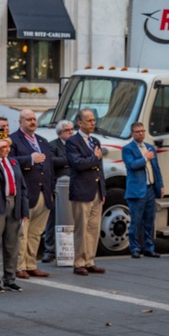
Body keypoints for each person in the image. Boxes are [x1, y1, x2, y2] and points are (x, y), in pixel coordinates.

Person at [10, 109, 53, 279]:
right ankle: (19, 266)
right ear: (20, 122)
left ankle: (31, 264)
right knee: (22, 232)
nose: (32, 122)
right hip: (25, 193)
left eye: (34, 119)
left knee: (36, 233)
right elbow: (9, 162)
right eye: (28, 119)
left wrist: (51, 192)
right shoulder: (13, 140)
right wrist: (29, 159)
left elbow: (49, 169)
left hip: (44, 193)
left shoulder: (42, 141)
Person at [0, 129, 28, 293]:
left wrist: (24, 210)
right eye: (3, 147)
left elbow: (22, 188)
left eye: (8, 146)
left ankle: (10, 278)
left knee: (11, 244)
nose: (7, 150)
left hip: (13, 204)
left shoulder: (13, 162)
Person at [64, 108, 107, 276]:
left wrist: (103, 189)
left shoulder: (95, 141)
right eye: (89, 120)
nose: (93, 123)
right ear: (79, 123)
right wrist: (94, 158)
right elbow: (77, 164)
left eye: (94, 120)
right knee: (81, 229)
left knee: (93, 228)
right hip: (82, 190)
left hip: (96, 190)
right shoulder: (72, 142)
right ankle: (79, 262)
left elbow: (100, 168)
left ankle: (90, 260)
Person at [123, 121, 164, 259]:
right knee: (136, 220)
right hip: (136, 190)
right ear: (132, 134)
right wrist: (144, 158)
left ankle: (149, 247)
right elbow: (132, 165)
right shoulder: (128, 149)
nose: (141, 134)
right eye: (137, 132)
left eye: (142, 131)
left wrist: (161, 186)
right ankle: (134, 247)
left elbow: (156, 168)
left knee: (149, 220)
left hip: (150, 188)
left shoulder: (150, 147)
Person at [43, 120, 75, 263]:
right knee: (53, 219)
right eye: (68, 130)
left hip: (74, 187)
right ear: (60, 133)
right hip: (58, 187)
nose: (71, 132)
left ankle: (70, 249)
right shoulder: (53, 145)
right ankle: (49, 250)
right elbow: (51, 161)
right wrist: (68, 159)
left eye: (72, 129)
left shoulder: (75, 144)